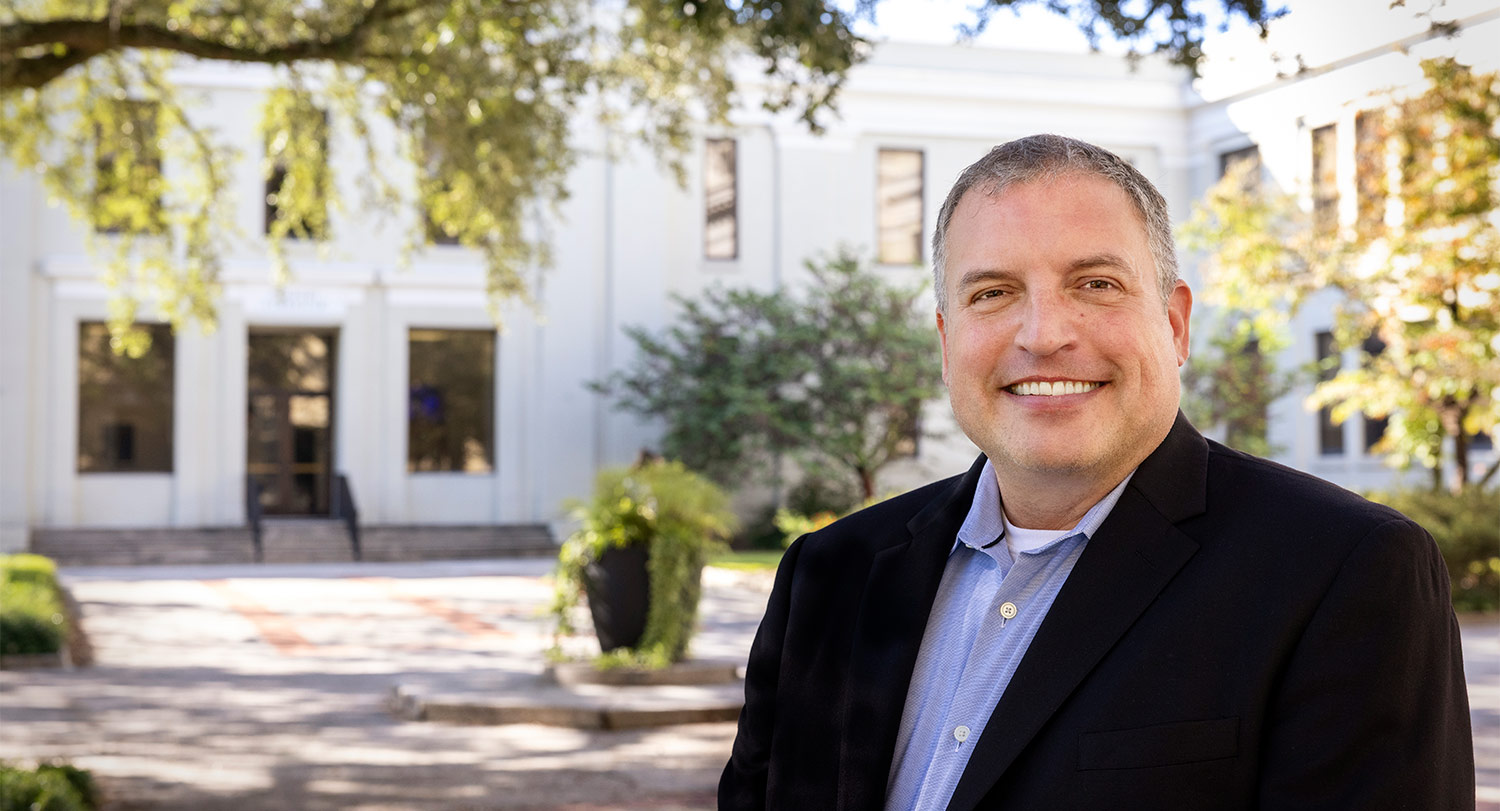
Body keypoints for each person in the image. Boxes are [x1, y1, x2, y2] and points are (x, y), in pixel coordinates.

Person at [718, 134, 1474, 810]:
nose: (1045, 335)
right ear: (947, 343)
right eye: (994, 293)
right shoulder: (829, 573)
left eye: (1096, 284)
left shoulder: (1345, 572)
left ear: (1174, 324)